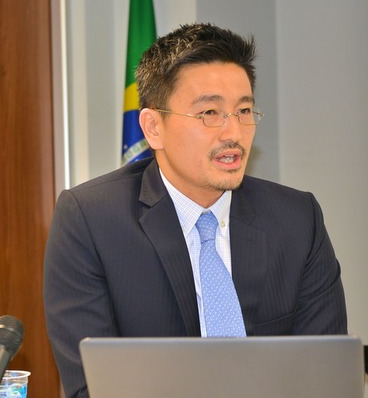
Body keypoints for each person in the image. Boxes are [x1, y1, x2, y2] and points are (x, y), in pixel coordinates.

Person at [43, 23, 347, 398]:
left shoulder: (297, 219)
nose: (233, 133)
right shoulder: (91, 221)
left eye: (244, 110)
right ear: (153, 127)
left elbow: (325, 378)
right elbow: (93, 387)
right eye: (209, 112)